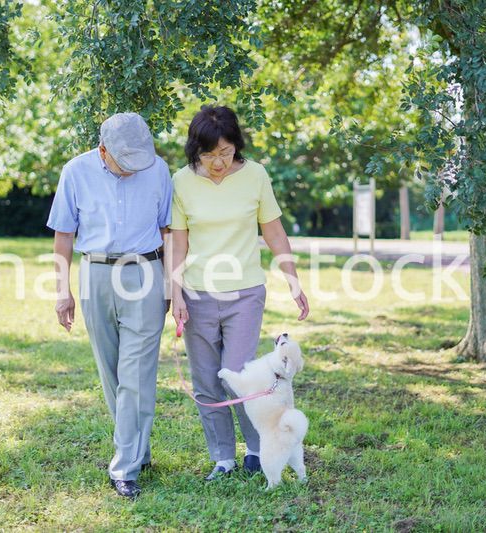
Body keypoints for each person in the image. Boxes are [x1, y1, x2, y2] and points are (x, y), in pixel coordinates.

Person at [169, 105, 309, 481]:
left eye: (226, 153)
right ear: (195, 150)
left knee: (245, 376)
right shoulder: (181, 181)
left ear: (237, 147)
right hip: (197, 294)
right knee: (207, 380)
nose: (218, 162)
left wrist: (292, 279)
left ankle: (256, 449)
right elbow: (177, 243)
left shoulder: (256, 176)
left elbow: (274, 232)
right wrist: (176, 293)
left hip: (245, 293)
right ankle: (222, 457)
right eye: (209, 155)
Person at [46, 112, 172, 499]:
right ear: (103, 151)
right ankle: (138, 450)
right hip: (96, 274)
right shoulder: (75, 171)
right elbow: (64, 235)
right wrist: (61, 290)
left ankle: (124, 467)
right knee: (112, 373)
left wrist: (172, 285)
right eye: (125, 160)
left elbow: (168, 229)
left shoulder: (160, 170)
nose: (135, 168)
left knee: (136, 373)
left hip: (146, 272)